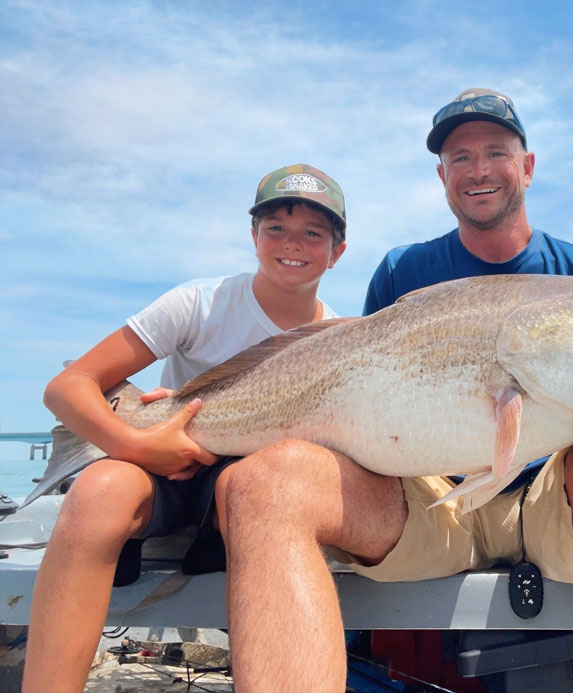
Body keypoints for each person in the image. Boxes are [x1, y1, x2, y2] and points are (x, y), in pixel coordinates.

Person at [214, 89, 573, 693]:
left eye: (495, 151)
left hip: (554, 499)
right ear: (442, 176)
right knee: (259, 484)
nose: (479, 170)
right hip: (430, 504)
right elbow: (357, 398)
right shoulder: (401, 272)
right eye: (460, 158)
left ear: (528, 166)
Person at [22, 163, 348, 692]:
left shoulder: (335, 339)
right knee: (95, 491)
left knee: (256, 488)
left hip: (246, 488)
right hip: (163, 466)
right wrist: (136, 445)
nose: (293, 243)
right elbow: (69, 386)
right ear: (254, 237)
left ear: (337, 251)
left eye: (314, 232)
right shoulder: (199, 302)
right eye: (276, 229)